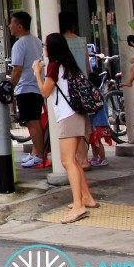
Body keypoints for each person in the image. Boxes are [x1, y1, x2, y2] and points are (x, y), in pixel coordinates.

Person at [32, 33, 98, 223]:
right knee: (74, 160)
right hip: (77, 114)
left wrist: (37, 72)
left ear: (50, 48)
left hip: (68, 117)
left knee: (67, 161)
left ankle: (79, 206)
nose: (44, 48)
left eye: (45, 45)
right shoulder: (68, 63)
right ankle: (87, 198)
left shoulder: (54, 66)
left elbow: (45, 92)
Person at [10, 11, 46, 168]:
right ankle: (35, 152)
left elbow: (17, 69)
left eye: (12, 23)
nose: (9, 26)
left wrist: (9, 86)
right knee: (35, 121)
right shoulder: (37, 41)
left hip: (26, 88)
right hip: (37, 86)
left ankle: (39, 155)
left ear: (19, 26)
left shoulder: (19, 44)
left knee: (32, 123)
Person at [60, 11, 94, 170]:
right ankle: (84, 157)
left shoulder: (60, 42)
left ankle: (81, 159)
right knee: (84, 123)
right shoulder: (81, 41)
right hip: (83, 85)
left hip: (68, 87)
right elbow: (87, 67)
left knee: (73, 126)